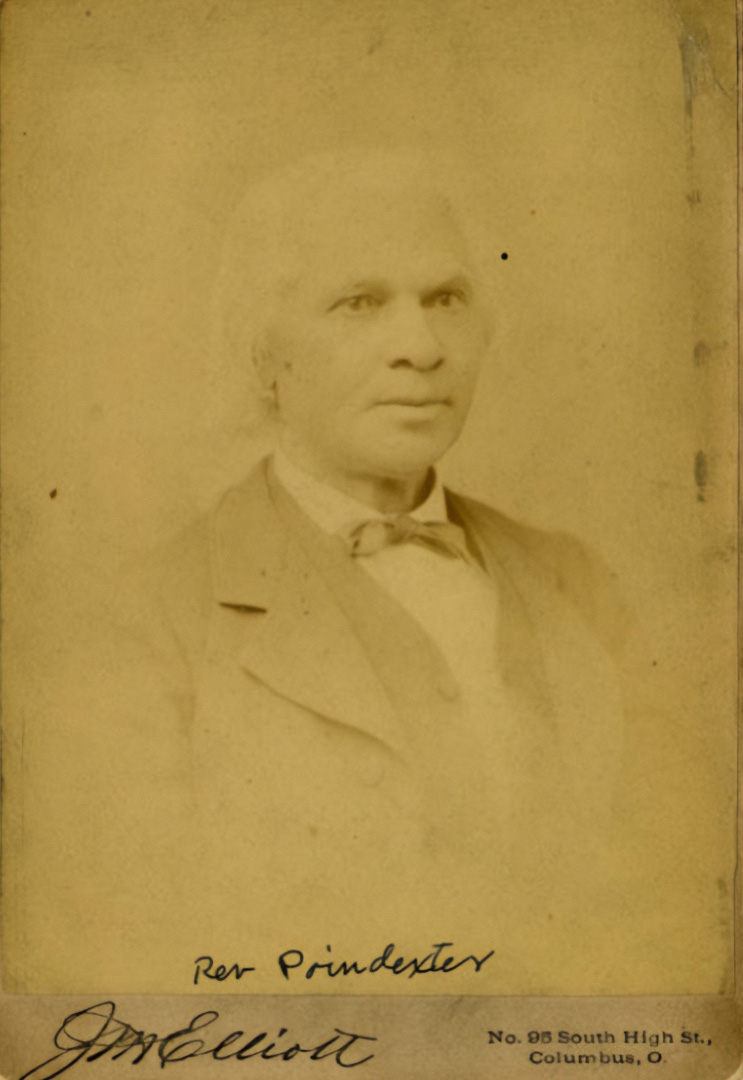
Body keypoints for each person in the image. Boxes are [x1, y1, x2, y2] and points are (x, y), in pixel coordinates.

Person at [26, 150, 644, 994]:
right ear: (262, 355)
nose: (421, 348)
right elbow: (124, 966)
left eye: (446, 300)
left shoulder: (575, 585)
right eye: (359, 304)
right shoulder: (144, 625)